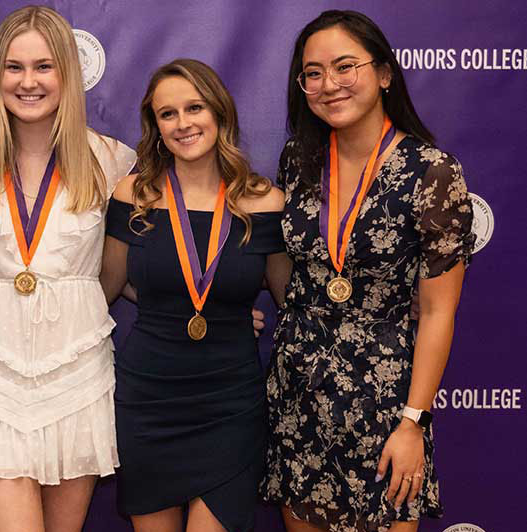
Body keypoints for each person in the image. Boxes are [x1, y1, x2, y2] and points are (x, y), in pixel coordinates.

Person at [262, 10, 475, 532]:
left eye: (344, 66)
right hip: (300, 393)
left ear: (383, 74)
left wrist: (413, 423)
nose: (328, 84)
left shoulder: (432, 172)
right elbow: (293, 270)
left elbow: (438, 312)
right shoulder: (298, 160)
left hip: (385, 406)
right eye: (313, 73)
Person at [0, 6, 136, 532]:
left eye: (44, 67)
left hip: (77, 367)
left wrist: (209, 304)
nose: (28, 82)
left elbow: (136, 260)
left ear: (67, 75)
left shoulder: (113, 161)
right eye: (14, 67)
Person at [101, 59, 289, 532]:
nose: (183, 123)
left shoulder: (265, 201)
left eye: (194, 108)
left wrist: (384, 302)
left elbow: (294, 298)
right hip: (148, 399)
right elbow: (103, 285)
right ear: (155, 126)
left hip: (230, 402)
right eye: (168, 114)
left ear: (219, 112)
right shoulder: (134, 195)